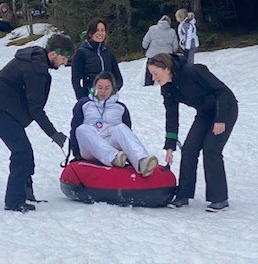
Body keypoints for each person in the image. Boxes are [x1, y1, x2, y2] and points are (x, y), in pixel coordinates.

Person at [0, 34, 73, 212]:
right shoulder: (35, 69)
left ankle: (26, 192)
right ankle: (14, 201)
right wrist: (54, 134)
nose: (64, 62)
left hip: (6, 107)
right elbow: (36, 109)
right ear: (52, 54)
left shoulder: (37, 59)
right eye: (63, 58)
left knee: (25, 151)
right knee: (21, 152)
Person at [147, 53, 238, 212]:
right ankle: (183, 195)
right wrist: (170, 145)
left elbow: (222, 91)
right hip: (204, 113)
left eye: (155, 73)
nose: (154, 78)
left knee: (211, 150)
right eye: (151, 74)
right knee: (189, 149)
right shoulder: (167, 87)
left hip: (225, 109)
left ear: (167, 68)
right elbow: (172, 116)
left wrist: (220, 118)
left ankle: (220, 199)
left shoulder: (192, 71)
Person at [69, 72, 158, 176]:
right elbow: (74, 129)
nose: (103, 91)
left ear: (113, 89)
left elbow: (127, 133)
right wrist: (76, 154)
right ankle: (112, 157)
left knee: (121, 127)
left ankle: (141, 161)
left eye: (107, 88)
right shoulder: (84, 104)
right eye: (100, 87)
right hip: (90, 148)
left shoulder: (120, 107)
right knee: (82, 129)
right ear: (94, 87)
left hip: (112, 145)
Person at [71, 18, 123, 100]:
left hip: (108, 99)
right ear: (90, 33)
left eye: (103, 30)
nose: (100, 33)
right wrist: (82, 98)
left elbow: (118, 78)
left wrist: (112, 91)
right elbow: (75, 79)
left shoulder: (108, 53)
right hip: (89, 97)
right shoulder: (81, 52)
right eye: (97, 30)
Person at [142, 15, 179, 86]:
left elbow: (146, 40)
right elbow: (175, 45)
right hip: (166, 55)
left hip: (152, 54)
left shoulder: (152, 29)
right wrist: (174, 51)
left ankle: (148, 84)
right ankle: (166, 83)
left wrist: (144, 47)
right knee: (165, 70)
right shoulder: (171, 31)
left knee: (150, 71)